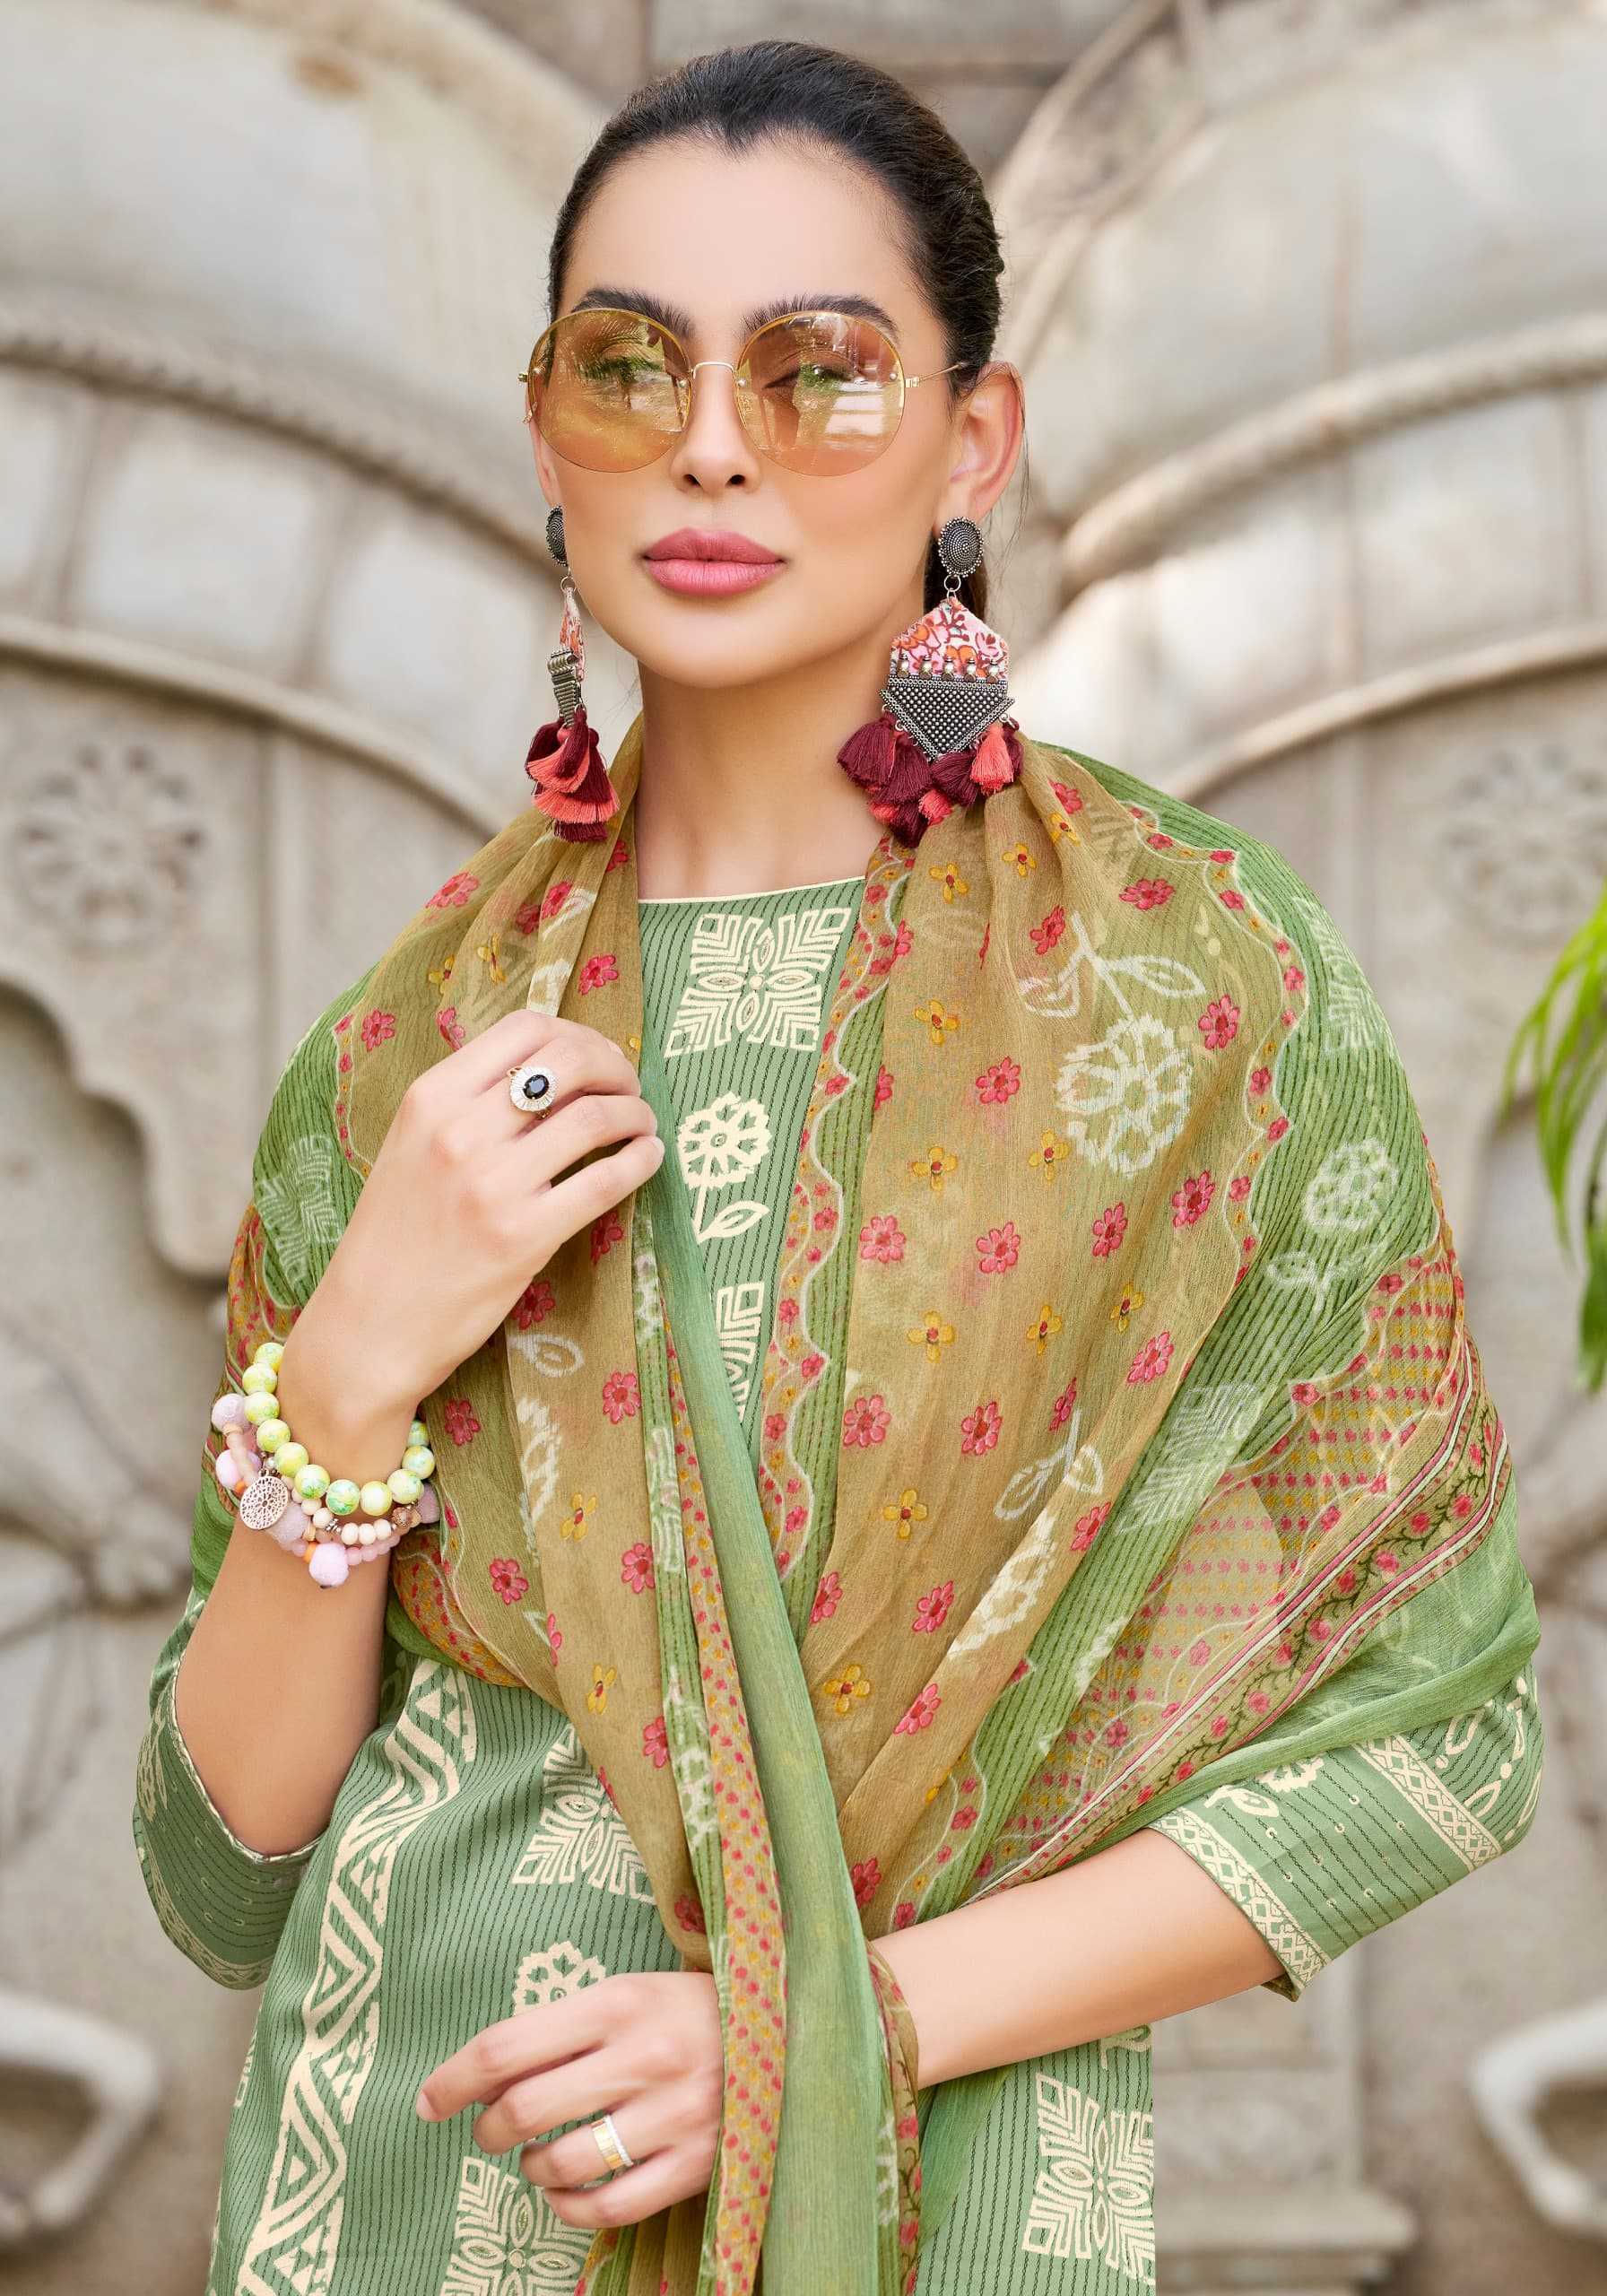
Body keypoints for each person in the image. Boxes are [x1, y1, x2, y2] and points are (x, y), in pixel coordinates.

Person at [132, 39, 1545, 2296]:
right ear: (546, 433)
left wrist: (830, 2027)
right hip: (409, 2191)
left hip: (928, 2184)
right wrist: (356, 1362)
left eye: (817, 374)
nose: (711, 443)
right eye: (631, 369)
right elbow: (221, 1863)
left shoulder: (1184, 996)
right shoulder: (414, 1048)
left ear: (973, 439)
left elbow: (1432, 1735)